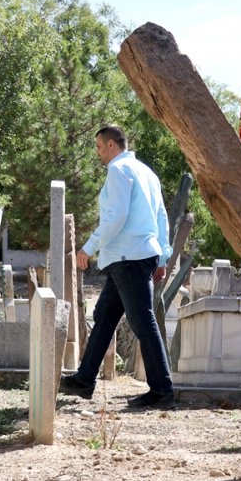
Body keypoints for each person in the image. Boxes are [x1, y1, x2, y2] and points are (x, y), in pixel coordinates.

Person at [60, 125, 175, 408]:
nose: (98, 154)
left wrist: (88, 247)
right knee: (104, 316)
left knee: (142, 321)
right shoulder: (147, 172)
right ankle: (85, 379)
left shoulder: (119, 169)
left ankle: (162, 390)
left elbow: (116, 216)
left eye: (99, 148)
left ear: (111, 145)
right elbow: (162, 218)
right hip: (134, 255)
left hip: (129, 256)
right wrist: (161, 256)